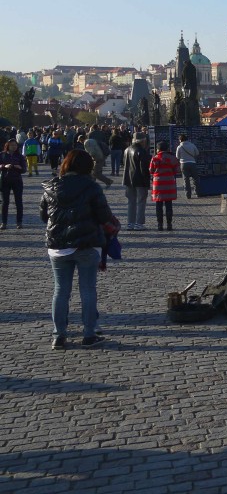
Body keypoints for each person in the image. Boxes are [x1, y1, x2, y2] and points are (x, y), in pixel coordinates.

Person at [40, 149, 114, 349]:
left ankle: (59, 335)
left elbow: (44, 216)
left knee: (60, 291)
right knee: (87, 290)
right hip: (86, 243)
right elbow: (103, 216)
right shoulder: (91, 187)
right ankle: (89, 334)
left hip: (57, 246)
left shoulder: (50, 186)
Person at [122, 132, 151, 230]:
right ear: (143, 141)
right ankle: (139, 223)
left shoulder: (127, 150)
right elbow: (144, 168)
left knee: (131, 201)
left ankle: (130, 223)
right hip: (140, 179)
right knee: (141, 201)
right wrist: (148, 180)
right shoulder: (142, 151)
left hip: (128, 179)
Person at [149, 140, 181, 231]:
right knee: (169, 204)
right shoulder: (172, 158)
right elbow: (177, 170)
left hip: (158, 184)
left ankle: (160, 224)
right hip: (169, 183)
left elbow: (151, 170)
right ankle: (169, 224)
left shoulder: (155, 158)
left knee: (158, 205)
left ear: (158, 149)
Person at [1, 139, 28, 229]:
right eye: (12, 145)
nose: (14, 146)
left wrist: (19, 167)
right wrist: (4, 166)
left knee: (18, 202)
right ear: (8, 145)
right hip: (5, 180)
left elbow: (24, 169)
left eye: (15, 145)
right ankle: (4, 222)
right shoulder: (2, 155)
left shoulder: (20, 156)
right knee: (5, 202)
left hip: (17, 180)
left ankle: (19, 222)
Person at [175, 133, 200, 199]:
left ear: (180, 140)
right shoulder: (192, 145)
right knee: (195, 178)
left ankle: (188, 194)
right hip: (192, 163)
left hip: (183, 164)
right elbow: (197, 153)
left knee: (186, 179)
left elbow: (177, 157)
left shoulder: (179, 147)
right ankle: (197, 192)